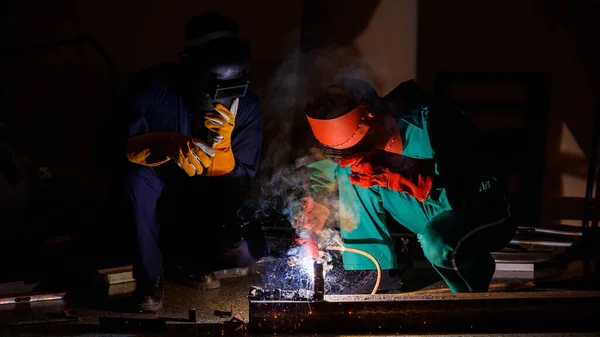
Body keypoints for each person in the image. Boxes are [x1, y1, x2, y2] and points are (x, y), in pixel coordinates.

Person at [296, 78, 516, 294]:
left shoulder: (436, 120)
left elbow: (458, 192)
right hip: (432, 208)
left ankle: (471, 284)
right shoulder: (362, 130)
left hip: (482, 209)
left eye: (354, 147)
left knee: (437, 241)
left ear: (371, 118)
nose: (351, 153)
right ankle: (374, 271)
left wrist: (393, 176)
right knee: (350, 170)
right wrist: (317, 206)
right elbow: (329, 169)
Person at [114, 12, 263, 312]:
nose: (222, 95)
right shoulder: (154, 85)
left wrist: (223, 147)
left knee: (243, 252)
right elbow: (120, 148)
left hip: (202, 206)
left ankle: (190, 263)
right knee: (136, 177)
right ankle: (150, 276)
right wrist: (163, 144)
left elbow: (236, 188)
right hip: (156, 201)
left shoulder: (247, 106)